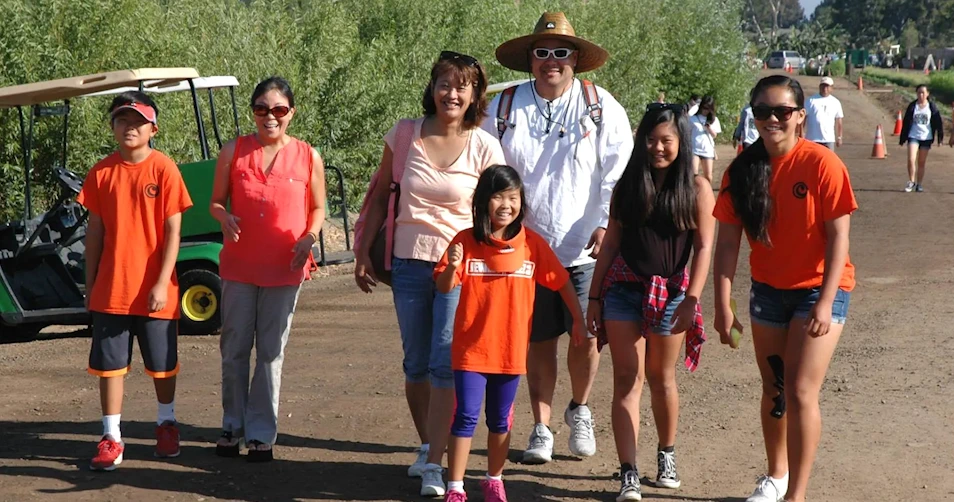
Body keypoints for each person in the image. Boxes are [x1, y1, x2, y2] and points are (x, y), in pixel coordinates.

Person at [482, 11, 634, 464]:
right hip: (523, 248)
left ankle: (580, 409)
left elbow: (619, 169)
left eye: (561, 52)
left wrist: (608, 221)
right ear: (530, 59)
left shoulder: (600, 104)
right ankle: (543, 426)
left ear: (576, 59)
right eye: (542, 52)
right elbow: (486, 171)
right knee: (537, 341)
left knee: (586, 335)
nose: (552, 60)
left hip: (585, 247)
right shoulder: (503, 106)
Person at [354, 51, 504, 497]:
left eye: (461, 86)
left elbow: (500, 211)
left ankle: (437, 463)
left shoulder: (485, 145)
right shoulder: (404, 134)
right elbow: (380, 196)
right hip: (408, 261)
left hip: (462, 268)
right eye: (444, 84)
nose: (451, 93)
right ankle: (426, 445)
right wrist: (363, 251)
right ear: (432, 88)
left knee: (444, 363)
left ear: (475, 94)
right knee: (416, 362)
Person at [712, 75, 857, 502]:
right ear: (752, 116)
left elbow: (838, 239)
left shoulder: (822, 164)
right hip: (768, 291)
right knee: (774, 386)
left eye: (781, 112)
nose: (771, 119)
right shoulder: (741, 171)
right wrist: (722, 303)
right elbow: (726, 244)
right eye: (762, 111)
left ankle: (796, 494)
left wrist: (827, 302)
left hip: (819, 289)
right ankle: (775, 477)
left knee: (799, 390)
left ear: (799, 116)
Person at [587, 103, 714, 501]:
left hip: (673, 294)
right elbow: (610, 244)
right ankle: (629, 471)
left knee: (661, 378)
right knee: (627, 378)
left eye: (667, 141)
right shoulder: (628, 186)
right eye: (651, 140)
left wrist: (693, 297)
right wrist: (594, 297)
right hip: (623, 290)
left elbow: (705, 246)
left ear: (681, 143)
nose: (658, 148)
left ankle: (667, 454)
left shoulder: (696, 188)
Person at [435, 165, 585, 502]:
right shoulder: (465, 242)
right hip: (471, 351)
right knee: (466, 416)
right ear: (483, 202)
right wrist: (453, 266)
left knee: (500, 420)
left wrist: (578, 319)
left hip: (510, 352)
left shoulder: (531, 245)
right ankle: (455, 487)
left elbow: (561, 282)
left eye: (513, 197)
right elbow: (445, 286)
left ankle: (493, 479)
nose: (506, 204)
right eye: (498, 196)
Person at [210, 77, 326, 462]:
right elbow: (215, 202)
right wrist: (223, 217)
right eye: (262, 109)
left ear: (291, 113)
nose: (270, 116)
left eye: (278, 109)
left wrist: (309, 237)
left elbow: (318, 208)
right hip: (239, 265)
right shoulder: (234, 150)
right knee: (234, 348)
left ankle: (261, 434)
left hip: (285, 265)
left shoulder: (309, 156)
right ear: (253, 112)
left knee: (271, 352)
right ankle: (232, 425)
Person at [78, 91, 193, 471]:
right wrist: (89, 283)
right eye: (122, 120)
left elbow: (174, 232)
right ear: (112, 127)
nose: (130, 127)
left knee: (162, 365)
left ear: (152, 128)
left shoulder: (164, 169)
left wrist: (162, 282)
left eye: (138, 121)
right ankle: (112, 437)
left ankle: (166, 424)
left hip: (156, 291)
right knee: (110, 367)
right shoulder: (101, 172)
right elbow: (94, 233)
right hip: (112, 289)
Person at [899, 84, 944, 192]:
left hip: (926, 137)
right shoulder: (913, 106)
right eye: (919, 92)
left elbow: (938, 123)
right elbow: (906, 122)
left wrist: (940, 139)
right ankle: (911, 181)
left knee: (921, 162)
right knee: (911, 159)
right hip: (913, 136)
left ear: (927, 94)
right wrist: (902, 138)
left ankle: (919, 184)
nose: (921, 95)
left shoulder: (932, 107)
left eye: (923, 92)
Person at [802, 77, 844, 151]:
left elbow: (839, 121)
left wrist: (839, 137)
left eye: (827, 86)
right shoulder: (810, 101)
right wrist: (801, 132)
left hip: (828, 139)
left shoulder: (835, 102)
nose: (825, 88)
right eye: (823, 86)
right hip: (812, 138)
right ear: (819, 86)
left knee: (828, 161)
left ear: (832, 88)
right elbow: (803, 118)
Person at [690, 96, 721, 182]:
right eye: (704, 108)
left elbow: (715, 135)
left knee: (708, 176)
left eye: (708, 108)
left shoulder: (714, 120)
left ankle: (706, 192)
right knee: (693, 174)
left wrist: (709, 128)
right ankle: (693, 193)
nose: (705, 110)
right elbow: (687, 132)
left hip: (707, 150)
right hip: (694, 149)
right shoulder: (693, 119)